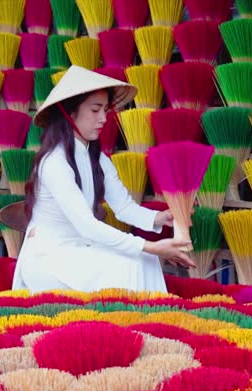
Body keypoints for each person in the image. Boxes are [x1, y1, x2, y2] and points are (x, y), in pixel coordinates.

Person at [10, 66, 196, 293]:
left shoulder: (96, 158)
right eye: (95, 110)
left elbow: (125, 208)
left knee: (146, 262)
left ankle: (147, 326)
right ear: (70, 112)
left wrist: (161, 217)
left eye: (105, 110)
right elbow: (87, 225)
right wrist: (151, 246)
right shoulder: (54, 162)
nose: (103, 119)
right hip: (49, 260)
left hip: (79, 252)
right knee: (131, 265)